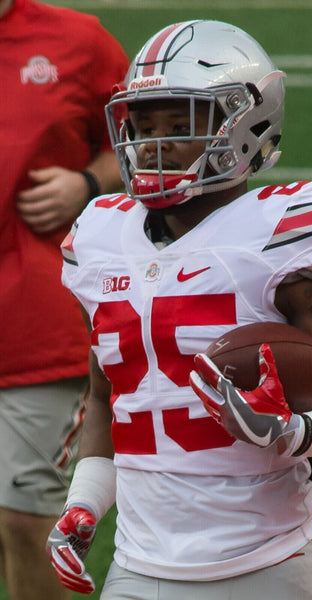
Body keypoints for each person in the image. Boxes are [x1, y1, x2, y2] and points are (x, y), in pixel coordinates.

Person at [46, 19, 312, 600]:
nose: (154, 143)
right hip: (138, 565)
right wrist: (83, 503)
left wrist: (294, 432)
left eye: (180, 124)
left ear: (246, 124)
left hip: (270, 561)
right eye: (144, 126)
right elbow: (112, 397)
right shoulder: (100, 237)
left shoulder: (285, 231)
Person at [0, 0, 129, 598]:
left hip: (37, 326)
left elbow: (143, 142)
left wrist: (88, 182)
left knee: (24, 521)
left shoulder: (79, 40)